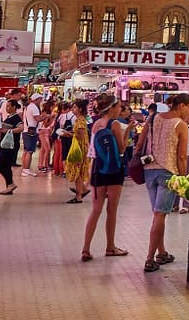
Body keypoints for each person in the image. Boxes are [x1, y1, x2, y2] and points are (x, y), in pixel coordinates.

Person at [142, 92, 189, 272]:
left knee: (158, 215)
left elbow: (141, 141)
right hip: (168, 174)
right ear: (181, 106)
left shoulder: (154, 117)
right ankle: (149, 259)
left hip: (149, 171)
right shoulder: (180, 125)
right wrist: (183, 179)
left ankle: (162, 252)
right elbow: (181, 156)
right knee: (160, 215)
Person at [80, 93, 130, 261]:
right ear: (112, 108)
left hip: (97, 170)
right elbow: (122, 149)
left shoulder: (96, 125)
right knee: (112, 210)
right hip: (114, 171)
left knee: (96, 210)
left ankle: (86, 248)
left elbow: (93, 150)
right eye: (119, 107)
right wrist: (128, 131)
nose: (120, 110)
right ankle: (110, 247)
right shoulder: (114, 124)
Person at [66, 98, 91, 203]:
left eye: (75, 107)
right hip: (81, 147)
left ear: (80, 109)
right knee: (78, 171)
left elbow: (80, 136)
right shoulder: (80, 119)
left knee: (77, 172)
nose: (73, 109)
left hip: (79, 149)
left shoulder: (80, 120)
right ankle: (83, 190)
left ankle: (79, 195)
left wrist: (68, 134)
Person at [0, 99, 23, 194]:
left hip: (10, 145)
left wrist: (8, 131)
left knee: (0, 165)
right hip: (4, 145)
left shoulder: (16, 118)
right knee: (6, 166)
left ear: (14, 107)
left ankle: (11, 184)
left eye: (8, 106)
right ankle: (9, 186)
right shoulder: (8, 117)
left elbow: (21, 128)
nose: (7, 108)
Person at [20, 93, 42, 176]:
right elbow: (37, 119)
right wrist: (46, 117)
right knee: (30, 151)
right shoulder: (34, 107)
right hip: (31, 131)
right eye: (40, 99)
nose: (41, 101)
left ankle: (25, 168)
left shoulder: (27, 107)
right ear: (36, 99)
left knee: (26, 150)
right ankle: (26, 169)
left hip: (26, 130)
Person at [37, 98, 56, 173]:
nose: (54, 108)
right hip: (43, 131)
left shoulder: (48, 113)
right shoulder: (45, 113)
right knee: (47, 149)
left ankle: (40, 165)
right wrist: (52, 118)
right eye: (53, 106)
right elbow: (45, 124)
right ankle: (45, 165)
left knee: (43, 149)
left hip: (46, 132)